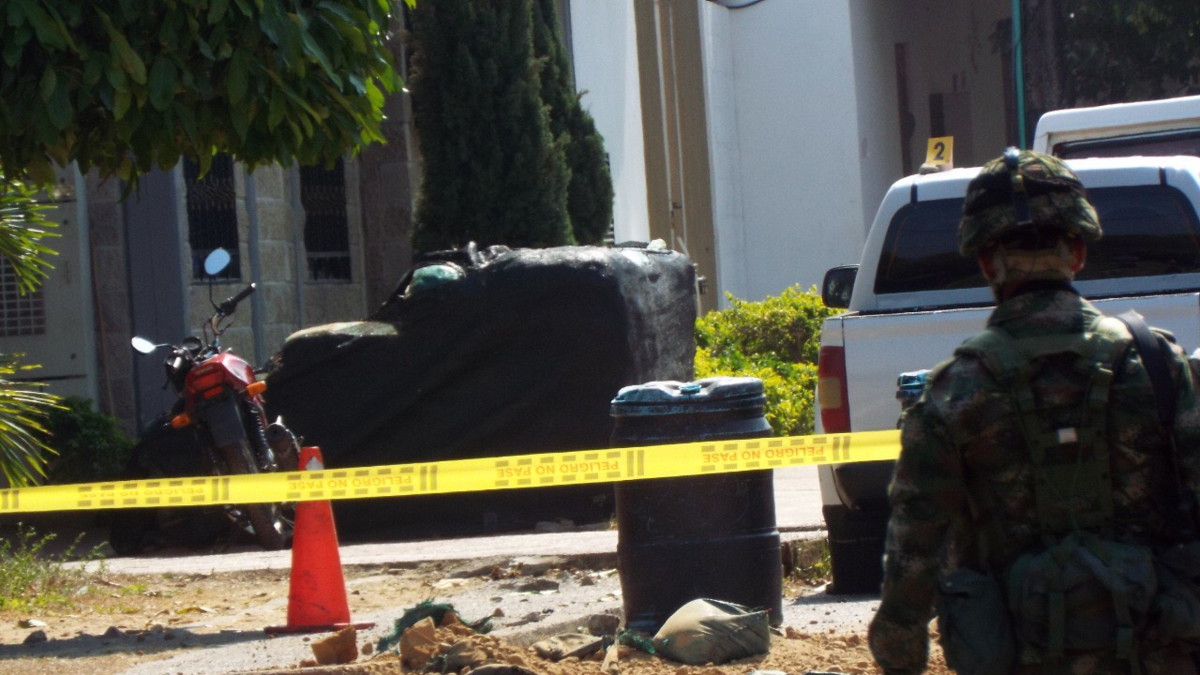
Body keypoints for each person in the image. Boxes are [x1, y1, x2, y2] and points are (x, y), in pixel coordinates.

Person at [868, 148, 1200, 674]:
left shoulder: (955, 393)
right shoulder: (1158, 365)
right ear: (1078, 252)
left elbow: (914, 554)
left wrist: (899, 656)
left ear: (985, 263)